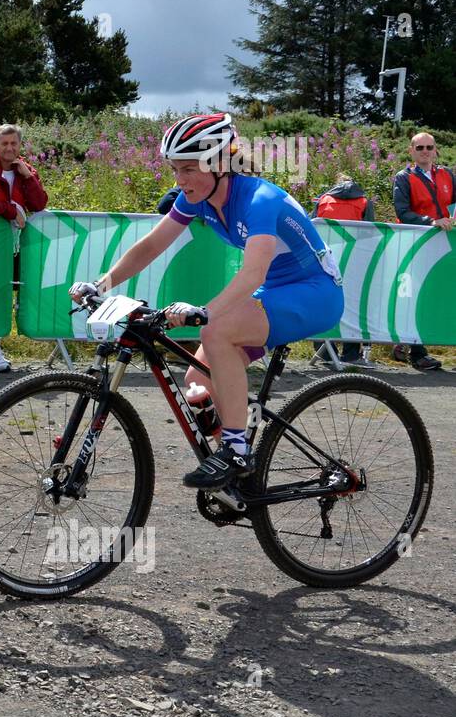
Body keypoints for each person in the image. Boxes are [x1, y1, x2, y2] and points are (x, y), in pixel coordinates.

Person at [70, 112, 344, 490]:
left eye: (187, 169)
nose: (179, 180)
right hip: (276, 293)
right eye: (174, 169)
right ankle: (237, 473)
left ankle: (235, 451)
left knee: (216, 331)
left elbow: (253, 275)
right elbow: (152, 244)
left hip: (315, 292)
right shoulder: (197, 198)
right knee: (197, 379)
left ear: (219, 163)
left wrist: (205, 313)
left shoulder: (261, 200)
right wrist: (103, 283)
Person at [0, 123, 49, 372]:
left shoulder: (26, 170)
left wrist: (28, 177)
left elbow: (40, 203)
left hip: (19, 246)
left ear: (20, 145)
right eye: (4, 143)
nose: (9, 148)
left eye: (14, 143)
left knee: (13, 291)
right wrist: (11, 210)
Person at [389, 132, 448, 371]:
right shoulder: (403, 178)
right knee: (415, 297)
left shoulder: (447, 175)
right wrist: (431, 222)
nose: (425, 151)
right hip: (414, 245)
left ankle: (403, 344)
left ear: (436, 150)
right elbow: (403, 212)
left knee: (436, 296)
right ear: (411, 151)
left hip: (443, 245)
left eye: (429, 147)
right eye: (420, 147)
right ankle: (417, 353)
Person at [311, 174, 376, 368]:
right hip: (354, 260)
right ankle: (351, 354)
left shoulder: (323, 200)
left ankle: (324, 351)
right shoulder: (364, 201)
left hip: (325, 261)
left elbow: (311, 226)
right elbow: (370, 233)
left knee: (323, 302)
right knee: (353, 305)